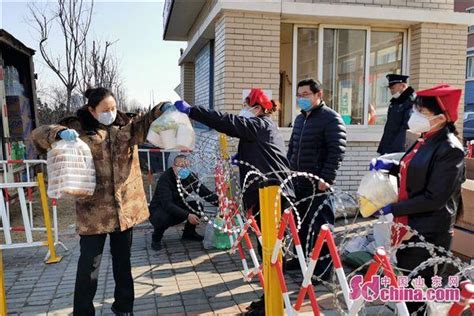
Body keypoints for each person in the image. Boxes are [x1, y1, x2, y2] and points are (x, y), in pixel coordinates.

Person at [30, 87, 165, 316]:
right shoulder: (77, 127)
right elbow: (38, 135)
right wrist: (58, 133)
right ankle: (83, 312)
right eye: (105, 110)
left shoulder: (126, 126)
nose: (111, 113)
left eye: (113, 108)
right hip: (93, 212)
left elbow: (147, 121)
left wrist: (163, 108)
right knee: (89, 266)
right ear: (92, 110)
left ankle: (124, 308)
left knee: (123, 263)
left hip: (124, 210)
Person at [174, 88, 295, 315]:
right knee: (267, 249)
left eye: (246, 105)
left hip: (272, 195)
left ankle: (274, 301)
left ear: (257, 108)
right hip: (266, 194)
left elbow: (227, 122)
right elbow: (263, 153)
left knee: (271, 250)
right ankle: (270, 295)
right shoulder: (263, 128)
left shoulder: (259, 125)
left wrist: (193, 111)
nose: (243, 110)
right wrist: (240, 158)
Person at [372, 84, 465, 314]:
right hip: (410, 225)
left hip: (429, 231)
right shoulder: (425, 138)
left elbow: (435, 197)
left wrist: (393, 207)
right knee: (406, 288)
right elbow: (413, 168)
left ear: (441, 118)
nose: (415, 117)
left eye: (421, 113)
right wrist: (389, 167)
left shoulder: (450, 148)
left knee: (417, 293)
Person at [286, 78, 346, 281]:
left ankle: (322, 270)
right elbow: (293, 148)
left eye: (306, 95)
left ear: (318, 95)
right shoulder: (300, 119)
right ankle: (299, 260)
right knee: (300, 224)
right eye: (299, 95)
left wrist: (327, 177)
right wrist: (288, 170)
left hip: (318, 183)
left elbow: (336, 151)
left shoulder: (331, 118)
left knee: (320, 227)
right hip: (299, 181)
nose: (301, 99)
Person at [149, 154, 218, 251]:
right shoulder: (165, 179)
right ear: (174, 167)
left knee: (197, 207)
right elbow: (167, 204)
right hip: (160, 209)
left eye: (186, 166)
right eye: (181, 166)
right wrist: (187, 215)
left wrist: (221, 203)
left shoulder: (190, 176)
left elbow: (204, 192)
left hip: (178, 206)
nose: (184, 169)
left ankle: (189, 234)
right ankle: (156, 238)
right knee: (163, 218)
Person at [377, 74, 416, 155]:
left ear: (403, 85)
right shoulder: (395, 102)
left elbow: (406, 128)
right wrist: (382, 149)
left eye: (393, 88)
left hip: (398, 149)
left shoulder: (410, 102)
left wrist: (393, 151)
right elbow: (389, 128)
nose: (391, 91)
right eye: (390, 89)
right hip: (388, 148)